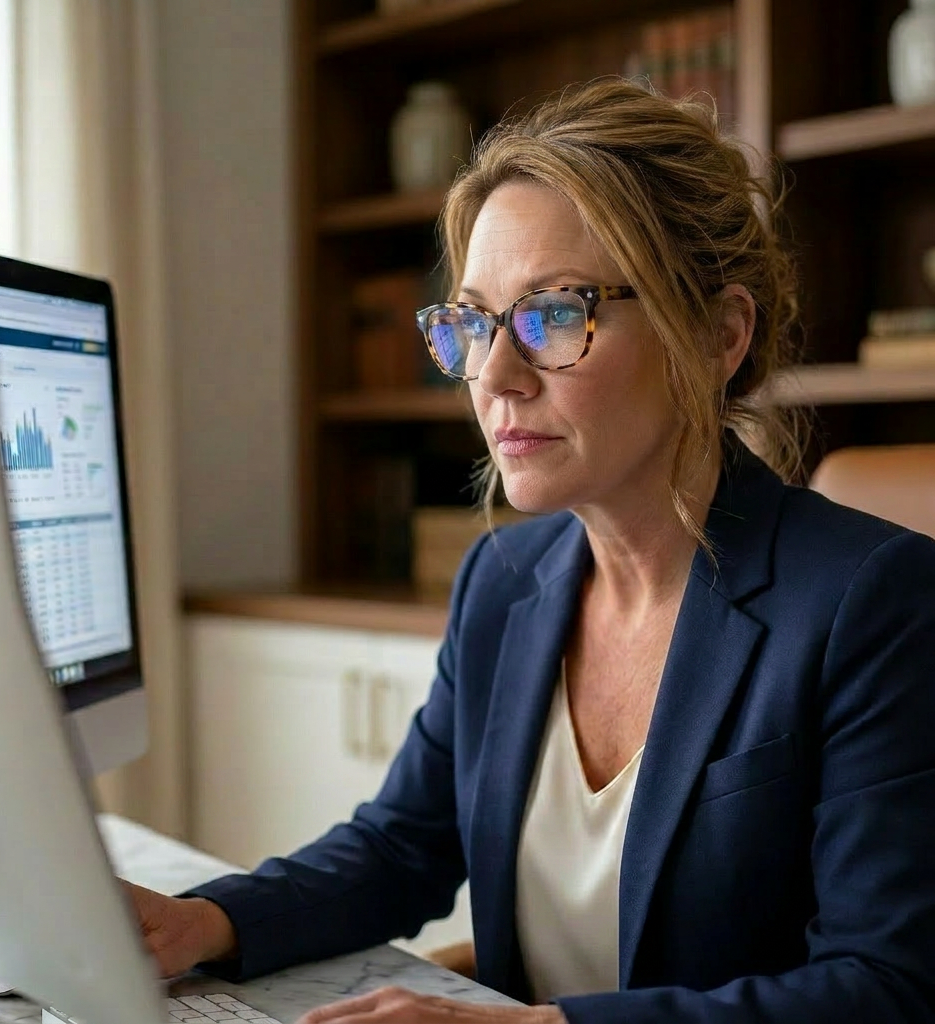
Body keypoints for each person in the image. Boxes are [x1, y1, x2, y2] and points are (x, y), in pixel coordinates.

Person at [126, 80, 935, 1023]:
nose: (494, 375)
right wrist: (202, 922)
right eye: (472, 322)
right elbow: (401, 846)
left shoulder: (874, 602)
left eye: (553, 314)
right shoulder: (502, 581)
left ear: (718, 335)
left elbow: (885, 988)